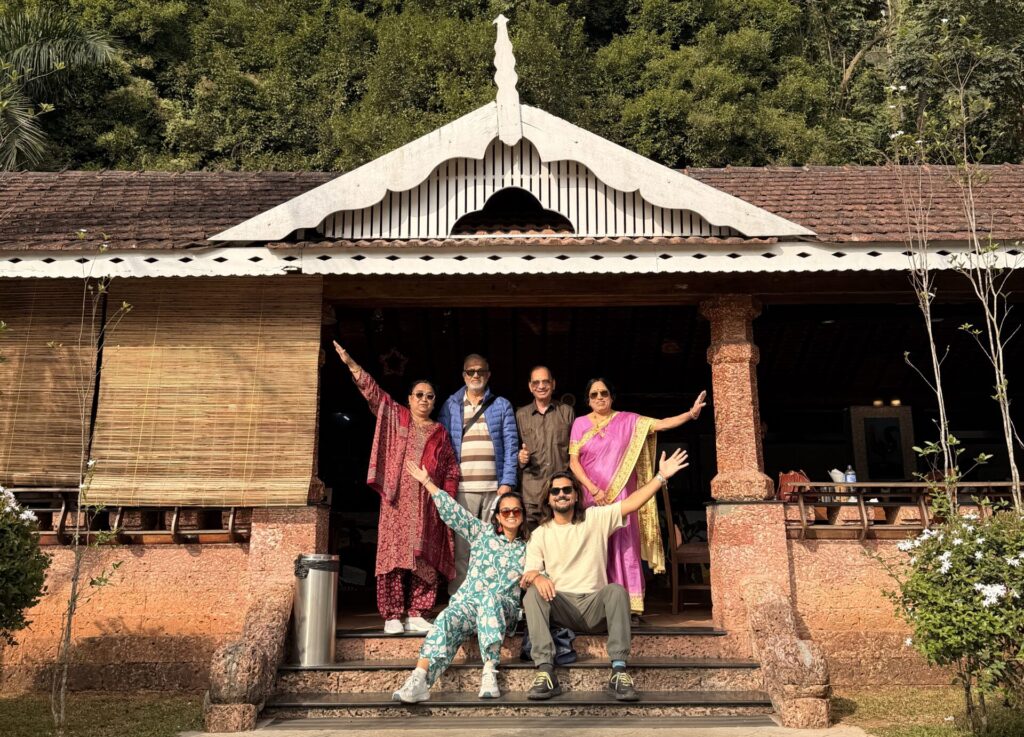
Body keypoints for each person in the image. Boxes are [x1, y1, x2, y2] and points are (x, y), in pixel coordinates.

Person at [520, 449, 690, 701]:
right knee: (533, 593)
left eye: (567, 490)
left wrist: (661, 477)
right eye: (555, 491)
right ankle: (545, 671)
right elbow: (529, 573)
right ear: (548, 498)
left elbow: (632, 503)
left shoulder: (594, 518)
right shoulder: (541, 533)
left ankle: (619, 671)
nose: (561, 494)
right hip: (561, 606)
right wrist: (537, 577)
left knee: (616, 591)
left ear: (576, 495)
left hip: (594, 607)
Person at [334, 341, 460, 635]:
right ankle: (392, 615)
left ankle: (417, 612)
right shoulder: (397, 417)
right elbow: (374, 394)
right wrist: (352, 365)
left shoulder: (440, 432)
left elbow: (451, 469)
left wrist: (446, 500)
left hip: (428, 505)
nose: (424, 400)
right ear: (409, 399)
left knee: (424, 558)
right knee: (394, 556)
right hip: (397, 502)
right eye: (419, 395)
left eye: (430, 396)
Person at [392, 461, 529, 703]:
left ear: (523, 515)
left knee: (489, 599)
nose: (511, 515)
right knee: (447, 616)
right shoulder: (483, 533)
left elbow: (542, 573)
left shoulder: (529, 547)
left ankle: (489, 671)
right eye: (505, 511)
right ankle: (420, 679)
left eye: (516, 511)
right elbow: (455, 514)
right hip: (469, 606)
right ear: (498, 516)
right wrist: (428, 483)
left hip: (502, 609)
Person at [569, 379, 706, 617]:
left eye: (604, 393)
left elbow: (661, 424)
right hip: (590, 497)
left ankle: (629, 607)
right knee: (594, 548)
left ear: (612, 396)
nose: (599, 397)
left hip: (624, 496)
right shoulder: (579, 424)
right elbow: (573, 462)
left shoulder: (628, 420)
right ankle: (596, 606)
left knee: (625, 546)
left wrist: (690, 414)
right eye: (594, 394)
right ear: (588, 400)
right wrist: (592, 489)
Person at [437, 353, 518, 593]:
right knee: (462, 547)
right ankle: (460, 596)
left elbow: (511, 446)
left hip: (495, 488)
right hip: (463, 488)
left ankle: (491, 595)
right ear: (464, 375)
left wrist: (507, 482)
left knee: (493, 545)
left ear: (488, 374)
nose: (475, 375)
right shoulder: (450, 405)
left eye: (480, 371)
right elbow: (442, 446)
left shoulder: (502, 405)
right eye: (470, 371)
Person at [516, 366, 574, 528]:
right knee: (532, 540)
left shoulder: (567, 412)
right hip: (532, 495)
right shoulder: (521, 415)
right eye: (536, 383)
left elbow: (575, 452)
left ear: (553, 384)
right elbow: (512, 452)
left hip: (560, 493)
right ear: (530, 386)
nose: (541, 386)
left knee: (561, 540)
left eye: (545, 382)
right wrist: (520, 458)